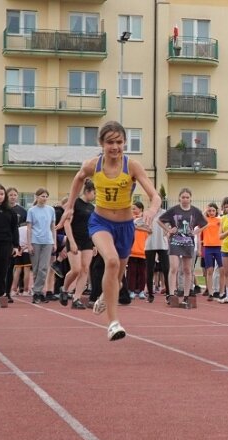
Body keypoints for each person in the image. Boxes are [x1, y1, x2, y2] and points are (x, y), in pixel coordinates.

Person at [58, 120, 161, 341]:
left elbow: (155, 195)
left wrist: (151, 210)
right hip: (100, 223)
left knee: (118, 278)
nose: (115, 147)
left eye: (119, 142)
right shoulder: (93, 165)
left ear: (124, 143)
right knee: (112, 262)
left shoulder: (132, 166)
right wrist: (69, 207)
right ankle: (113, 323)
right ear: (102, 144)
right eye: (110, 142)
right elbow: (78, 179)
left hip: (125, 227)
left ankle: (106, 294)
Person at [159, 188, 207, 308]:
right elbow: (159, 220)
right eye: (183, 197)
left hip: (188, 242)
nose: (185, 199)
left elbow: (205, 224)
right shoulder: (174, 210)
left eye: (187, 197)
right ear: (179, 198)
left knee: (187, 269)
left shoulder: (195, 211)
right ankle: (171, 294)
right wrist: (169, 230)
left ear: (190, 198)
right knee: (174, 267)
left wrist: (196, 232)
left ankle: (186, 295)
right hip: (175, 241)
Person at [59, 179, 96, 309]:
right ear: (87, 191)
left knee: (85, 269)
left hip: (87, 240)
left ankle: (76, 299)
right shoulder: (75, 203)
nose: (96, 196)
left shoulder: (92, 208)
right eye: (94, 193)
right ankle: (64, 289)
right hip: (75, 239)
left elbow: (93, 226)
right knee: (76, 269)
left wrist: (95, 244)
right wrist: (72, 242)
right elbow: (67, 223)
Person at [0, 184, 20, 308]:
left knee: (3, 271)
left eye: (1, 194)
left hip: (6, 244)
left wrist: (16, 246)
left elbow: (14, 229)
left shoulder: (10, 211)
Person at [27, 188, 56, 304]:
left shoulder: (51, 210)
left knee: (43, 268)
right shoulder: (32, 211)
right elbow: (29, 228)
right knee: (36, 268)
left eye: (46, 196)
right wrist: (29, 244)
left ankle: (38, 291)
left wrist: (54, 242)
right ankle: (38, 292)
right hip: (35, 241)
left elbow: (53, 227)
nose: (44, 198)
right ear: (37, 197)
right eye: (42, 196)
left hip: (48, 241)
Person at [4, 187, 27, 304]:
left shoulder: (22, 211)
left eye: (14, 195)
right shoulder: (3, 209)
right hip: (2, 240)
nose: (12, 197)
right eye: (10, 195)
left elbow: (24, 228)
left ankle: (7, 293)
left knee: (10, 268)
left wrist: (20, 244)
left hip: (14, 242)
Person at [127, 201, 151, 299]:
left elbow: (149, 229)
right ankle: (131, 290)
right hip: (132, 249)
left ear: (141, 209)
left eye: (134, 208)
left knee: (142, 272)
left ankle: (141, 290)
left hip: (143, 249)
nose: (133, 210)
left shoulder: (145, 219)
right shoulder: (130, 219)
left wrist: (138, 226)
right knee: (131, 272)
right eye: (132, 208)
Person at [144, 211, 170, 304]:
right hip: (150, 244)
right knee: (149, 270)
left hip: (163, 244)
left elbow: (171, 225)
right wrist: (146, 229)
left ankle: (169, 294)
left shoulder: (165, 213)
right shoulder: (148, 212)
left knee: (166, 269)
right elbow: (138, 224)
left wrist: (167, 232)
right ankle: (150, 294)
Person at [201, 202, 224, 300]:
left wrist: (219, 212)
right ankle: (210, 292)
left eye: (213, 210)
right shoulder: (205, 220)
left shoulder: (220, 220)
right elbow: (199, 216)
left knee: (222, 270)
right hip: (208, 247)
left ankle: (221, 291)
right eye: (209, 211)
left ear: (216, 211)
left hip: (219, 247)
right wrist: (206, 209)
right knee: (209, 271)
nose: (211, 212)